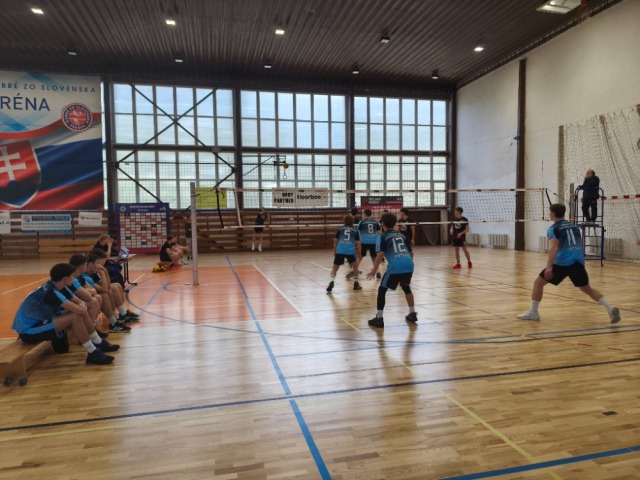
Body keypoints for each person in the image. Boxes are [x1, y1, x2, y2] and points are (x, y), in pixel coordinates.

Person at [517, 203, 620, 323]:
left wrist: (549, 267)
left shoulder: (553, 229)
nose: (549, 214)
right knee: (587, 289)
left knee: (538, 283)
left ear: (553, 213)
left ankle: (533, 312)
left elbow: (554, 247)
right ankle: (610, 308)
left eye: (549, 212)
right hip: (578, 262)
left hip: (562, 263)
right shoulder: (574, 227)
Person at [12, 263, 119, 365]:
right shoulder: (52, 293)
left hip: (42, 320)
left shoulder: (58, 286)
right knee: (75, 316)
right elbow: (79, 310)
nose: (74, 278)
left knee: (63, 347)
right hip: (28, 330)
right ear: (65, 279)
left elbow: (79, 302)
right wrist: (81, 307)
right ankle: (93, 352)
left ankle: (97, 341)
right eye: (72, 276)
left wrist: (81, 304)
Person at [366, 212, 416, 328]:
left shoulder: (382, 236)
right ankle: (412, 313)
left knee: (382, 290)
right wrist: (407, 265)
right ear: (395, 224)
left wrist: (374, 270)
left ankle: (379, 318)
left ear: (382, 224)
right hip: (409, 264)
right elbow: (411, 253)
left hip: (395, 266)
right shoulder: (401, 235)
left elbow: (380, 254)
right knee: (406, 287)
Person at [87, 252, 134, 333]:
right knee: (104, 295)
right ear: (91, 264)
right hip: (86, 299)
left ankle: (119, 316)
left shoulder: (93, 273)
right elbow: (104, 289)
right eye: (98, 263)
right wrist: (103, 272)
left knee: (115, 286)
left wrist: (105, 272)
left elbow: (107, 285)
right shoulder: (86, 276)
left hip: (91, 294)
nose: (101, 266)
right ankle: (113, 322)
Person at [327, 215, 362, 293]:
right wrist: (359, 253)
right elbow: (358, 243)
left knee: (335, 268)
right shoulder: (355, 230)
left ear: (344, 221)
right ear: (352, 221)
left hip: (340, 250)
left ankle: (331, 281)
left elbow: (335, 241)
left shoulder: (340, 229)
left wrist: (335, 251)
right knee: (355, 267)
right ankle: (356, 283)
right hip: (350, 251)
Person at [357, 209, 382, 279]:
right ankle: (378, 271)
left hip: (364, 241)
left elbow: (359, 232)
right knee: (374, 257)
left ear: (365, 214)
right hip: (373, 241)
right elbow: (379, 232)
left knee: (360, 256)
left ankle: (355, 269)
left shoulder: (362, 222)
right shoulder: (375, 222)